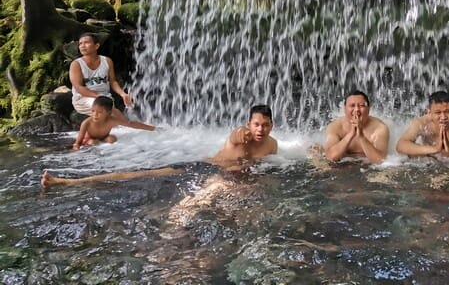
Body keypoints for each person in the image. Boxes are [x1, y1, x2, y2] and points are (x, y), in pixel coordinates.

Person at [42, 104, 277, 187]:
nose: (260, 130)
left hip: (227, 179)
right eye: (256, 124)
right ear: (249, 123)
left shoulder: (272, 145)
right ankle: (67, 181)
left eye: (265, 125)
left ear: (271, 126)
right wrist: (242, 134)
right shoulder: (239, 134)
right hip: (205, 168)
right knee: (135, 175)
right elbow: (237, 136)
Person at [70, 32, 149, 129]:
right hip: (84, 99)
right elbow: (79, 87)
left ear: (96, 46)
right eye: (80, 43)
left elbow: (113, 82)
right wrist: (99, 97)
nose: (82, 46)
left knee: (118, 123)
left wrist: (123, 94)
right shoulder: (76, 64)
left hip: (105, 99)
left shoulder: (107, 61)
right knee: (119, 120)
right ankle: (149, 129)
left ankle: (149, 130)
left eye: (86, 43)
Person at [324, 90, 390, 164]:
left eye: (361, 106)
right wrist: (351, 134)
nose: (356, 110)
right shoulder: (335, 127)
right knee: (314, 152)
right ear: (345, 109)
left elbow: (380, 161)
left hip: (368, 167)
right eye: (352, 106)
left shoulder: (380, 128)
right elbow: (330, 156)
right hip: (343, 166)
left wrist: (361, 136)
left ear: (368, 109)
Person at [72, 96, 156, 150]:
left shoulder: (112, 120)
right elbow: (78, 142)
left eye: (99, 112)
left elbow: (131, 124)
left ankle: (110, 155)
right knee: (92, 143)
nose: (95, 115)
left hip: (104, 138)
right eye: (93, 111)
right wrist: (76, 149)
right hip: (89, 140)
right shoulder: (86, 123)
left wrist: (153, 128)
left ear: (108, 113)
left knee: (112, 139)